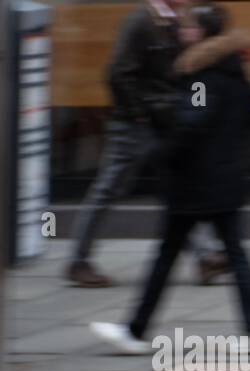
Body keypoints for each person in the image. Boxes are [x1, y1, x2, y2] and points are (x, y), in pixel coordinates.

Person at [90, 4, 250, 356]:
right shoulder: (236, 73)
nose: (181, 33)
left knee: (167, 257)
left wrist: (157, 155)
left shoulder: (202, 79)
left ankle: (135, 331)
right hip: (223, 179)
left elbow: (190, 125)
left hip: (195, 183)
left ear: (202, 34)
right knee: (234, 254)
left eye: (188, 29)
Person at [67, 0, 228, 288]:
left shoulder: (172, 21)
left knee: (179, 185)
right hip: (134, 125)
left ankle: (206, 257)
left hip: (161, 120)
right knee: (108, 189)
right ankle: (78, 261)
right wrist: (139, 115)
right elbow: (117, 73)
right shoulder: (141, 21)